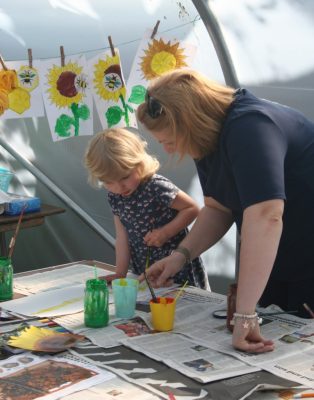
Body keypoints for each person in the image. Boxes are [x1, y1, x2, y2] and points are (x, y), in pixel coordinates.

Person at [136, 68, 314, 353]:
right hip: (280, 261)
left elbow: (266, 216)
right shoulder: (207, 138)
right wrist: (179, 256)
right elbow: (219, 208)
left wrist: (244, 315)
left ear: (189, 122)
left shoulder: (251, 126)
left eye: (169, 141)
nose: (168, 151)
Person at [84, 128, 208, 289]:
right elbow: (122, 237)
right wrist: (120, 273)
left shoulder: (155, 186)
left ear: (139, 163)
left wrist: (165, 232)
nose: (119, 187)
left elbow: (191, 208)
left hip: (178, 267)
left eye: (125, 177)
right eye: (108, 182)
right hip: (144, 269)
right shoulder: (115, 197)